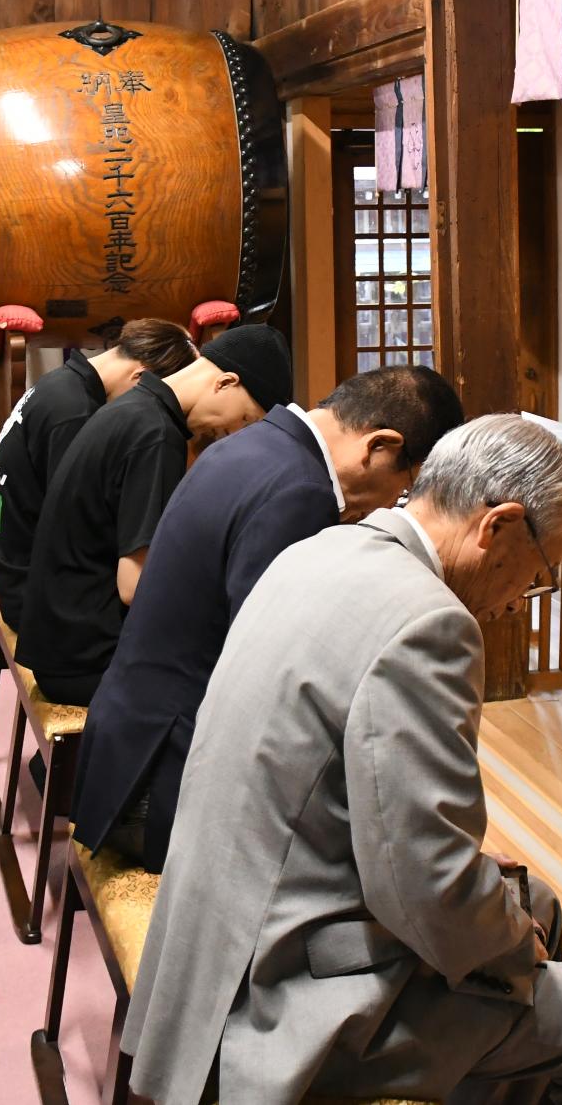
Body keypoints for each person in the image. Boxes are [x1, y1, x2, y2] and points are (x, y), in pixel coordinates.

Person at [123, 414, 562, 1103]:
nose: (518, 604)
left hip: (212, 946)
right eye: (539, 576)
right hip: (282, 998)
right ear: (499, 525)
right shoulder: (429, 623)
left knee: (529, 902)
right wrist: (514, 943)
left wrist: (496, 914)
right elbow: (427, 888)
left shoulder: (317, 550)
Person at [72, 364, 464, 871]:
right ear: (379, 447)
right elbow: (269, 669)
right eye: (405, 486)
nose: (393, 504)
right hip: (158, 785)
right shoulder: (299, 490)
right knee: (366, 866)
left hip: (125, 750)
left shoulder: (255, 445)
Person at [17, 323, 292, 706]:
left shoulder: (134, 406)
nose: (234, 433)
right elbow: (134, 586)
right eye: (245, 418)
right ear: (225, 382)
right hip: (87, 663)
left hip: (61, 641)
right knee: (241, 689)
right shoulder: (156, 434)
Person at [0, 317, 196, 614]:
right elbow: (78, 528)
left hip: (16, 567)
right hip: (34, 595)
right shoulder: (75, 412)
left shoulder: (63, 384)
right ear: (141, 377)